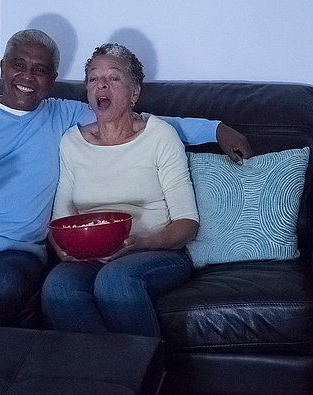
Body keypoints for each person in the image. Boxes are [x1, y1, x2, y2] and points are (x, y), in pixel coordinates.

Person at [0, 30, 251, 327]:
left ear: (53, 80)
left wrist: (216, 129)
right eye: (18, 65)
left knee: (8, 284)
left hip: (16, 251)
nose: (27, 77)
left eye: (39, 70)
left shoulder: (64, 116)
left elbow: (142, 124)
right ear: (3, 67)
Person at [42, 43, 200, 337]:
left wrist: (143, 242)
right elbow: (61, 216)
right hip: (90, 254)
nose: (102, 85)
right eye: (93, 79)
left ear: (134, 93)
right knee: (58, 287)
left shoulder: (160, 136)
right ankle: (106, 377)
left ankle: (145, 374)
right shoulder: (71, 143)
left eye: (113, 78)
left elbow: (187, 222)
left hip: (156, 250)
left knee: (115, 281)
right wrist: (64, 249)